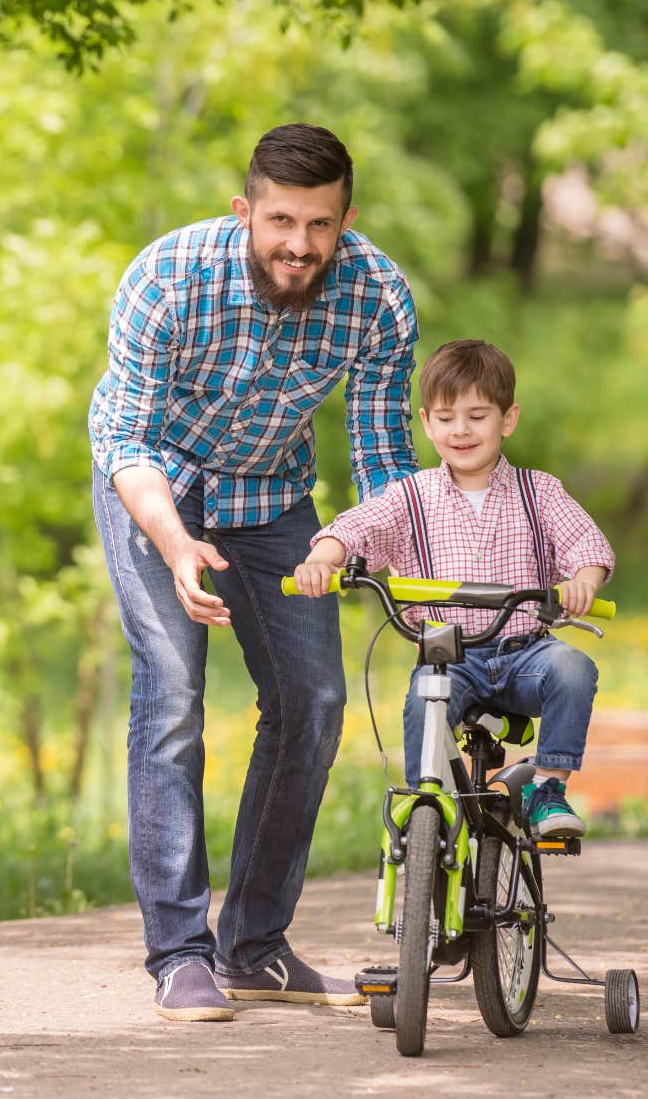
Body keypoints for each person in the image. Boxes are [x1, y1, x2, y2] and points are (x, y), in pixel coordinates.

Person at [89, 123, 419, 1022]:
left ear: (346, 220)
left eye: (320, 225)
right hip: (157, 485)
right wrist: (172, 540)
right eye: (280, 220)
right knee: (172, 697)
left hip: (274, 497)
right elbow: (123, 438)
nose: (299, 245)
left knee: (312, 703)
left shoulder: (379, 296)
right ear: (246, 210)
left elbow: (382, 454)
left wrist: (380, 551)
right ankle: (179, 953)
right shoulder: (168, 276)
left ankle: (256, 947)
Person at [293, 338, 615, 838]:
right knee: (425, 697)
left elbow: (587, 547)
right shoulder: (411, 497)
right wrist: (322, 559)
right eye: (446, 418)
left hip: (524, 653)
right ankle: (429, 807)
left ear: (508, 420)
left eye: (477, 415)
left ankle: (546, 788)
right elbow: (357, 527)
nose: (461, 430)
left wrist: (581, 583)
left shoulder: (540, 491)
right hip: (450, 658)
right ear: (427, 423)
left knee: (573, 668)